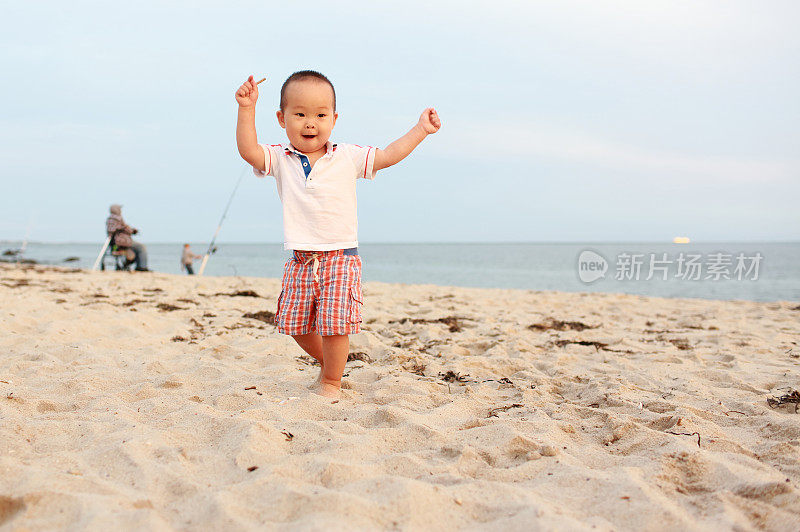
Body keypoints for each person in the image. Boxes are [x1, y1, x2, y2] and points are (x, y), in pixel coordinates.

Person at [235, 71, 441, 399]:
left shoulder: (347, 155)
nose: (309, 123)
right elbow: (248, 150)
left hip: (340, 258)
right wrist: (247, 108)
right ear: (281, 118)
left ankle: (331, 381)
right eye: (299, 114)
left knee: (335, 326)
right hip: (301, 260)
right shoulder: (279, 157)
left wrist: (421, 130)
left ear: (333, 119)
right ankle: (330, 362)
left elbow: (388, 155)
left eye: (319, 115)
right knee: (295, 326)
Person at [105, 204, 149, 271]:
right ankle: (142, 267)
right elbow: (125, 228)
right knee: (141, 247)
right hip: (123, 242)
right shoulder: (118, 218)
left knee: (135, 250)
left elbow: (112, 230)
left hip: (114, 242)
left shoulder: (109, 219)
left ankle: (129, 264)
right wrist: (132, 230)